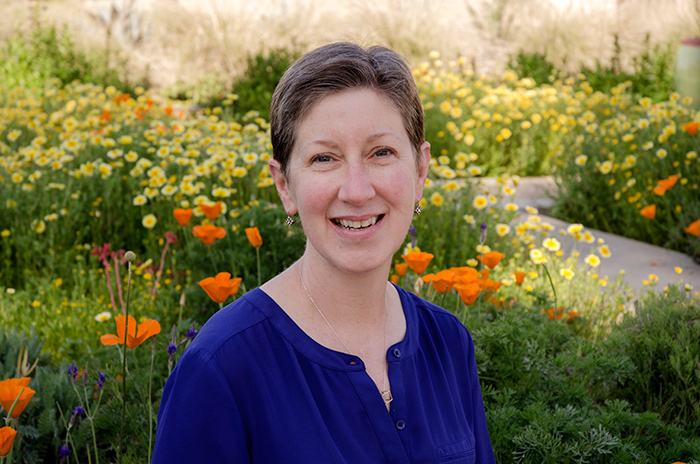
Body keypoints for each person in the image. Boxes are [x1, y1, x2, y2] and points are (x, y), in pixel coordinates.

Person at [153, 42, 496, 464]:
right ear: (284, 185)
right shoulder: (223, 368)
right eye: (324, 158)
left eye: (381, 153)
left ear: (420, 170)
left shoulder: (447, 343)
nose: (356, 190)